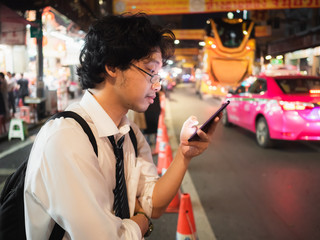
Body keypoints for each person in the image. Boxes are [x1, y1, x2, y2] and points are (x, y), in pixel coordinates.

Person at [24, 13, 221, 239]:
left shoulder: (129, 134)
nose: (157, 85)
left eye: (159, 75)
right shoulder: (67, 139)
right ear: (113, 66)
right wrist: (141, 221)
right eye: (151, 72)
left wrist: (185, 154)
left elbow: (153, 204)